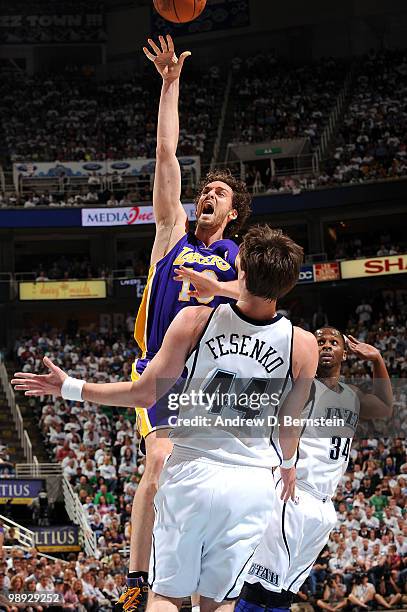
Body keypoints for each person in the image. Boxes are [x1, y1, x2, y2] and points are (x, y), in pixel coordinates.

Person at [12, 224, 318, 612]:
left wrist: (71, 387)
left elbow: (143, 393)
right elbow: (290, 426)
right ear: (289, 283)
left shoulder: (196, 320)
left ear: (240, 272)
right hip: (253, 483)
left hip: (191, 470)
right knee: (222, 602)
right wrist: (289, 467)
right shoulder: (303, 345)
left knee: (167, 598)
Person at [118, 34, 250, 610]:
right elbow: (167, 159)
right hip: (160, 372)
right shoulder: (171, 236)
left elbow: (254, 297)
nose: (207, 195)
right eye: (206, 190)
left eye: (218, 192)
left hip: (213, 387)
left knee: (209, 491)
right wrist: (170, 85)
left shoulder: (238, 257)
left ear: (234, 211)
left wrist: (217, 288)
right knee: (160, 460)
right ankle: (135, 580)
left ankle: (198, 584)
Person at [236, 327, 393, 612]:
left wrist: (377, 359)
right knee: (262, 581)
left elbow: (384, 407)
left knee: (286, 588)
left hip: (324, 505)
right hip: (293, 491)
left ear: (345, 353)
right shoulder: (301, 384)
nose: (327, 346)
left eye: (334, 342)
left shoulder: (352, 395)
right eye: (320, 342)